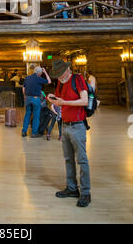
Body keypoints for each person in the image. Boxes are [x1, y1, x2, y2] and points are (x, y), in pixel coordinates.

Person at [47, 59, 91, 208]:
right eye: (56, 75)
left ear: (67, 70)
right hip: (65, 125)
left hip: (78, 126)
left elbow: (84, 101)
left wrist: (63, 102)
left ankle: (85, 193)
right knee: (68, 159)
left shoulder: (77, 79)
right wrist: (52, 100)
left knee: (82, 160)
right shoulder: (60, 82)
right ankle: (72, 188)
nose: (58, 77)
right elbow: (59, 101)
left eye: (60, 74)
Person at [22, 66, 51, 138]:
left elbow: (23, 88)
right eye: (41, 73)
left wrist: (25, 96)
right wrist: (45, 72)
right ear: (39, 73)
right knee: (36, 116)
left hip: (28, 98)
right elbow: (49, 81)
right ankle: (34, 133)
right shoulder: (39, 78)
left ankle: (24, 132)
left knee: (27, 115)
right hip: (36, 99)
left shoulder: (27, 78)